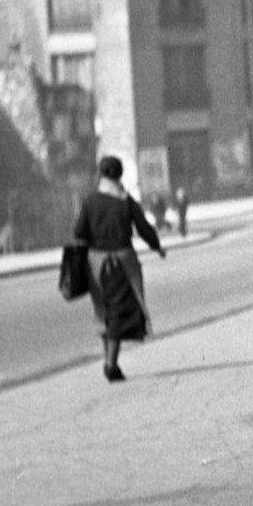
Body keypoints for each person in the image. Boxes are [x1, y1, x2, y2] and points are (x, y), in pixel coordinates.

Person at [72, 155, 165, 382]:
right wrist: (157, 247)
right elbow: (143, 228)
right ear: (119, 175)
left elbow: (78, 232)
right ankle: (111, 365)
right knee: (118, 313)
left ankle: (109, 361)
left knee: (104, 312)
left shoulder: (90, 200)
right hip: (122, 264)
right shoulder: (126, 200)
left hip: (96, 263)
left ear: (101, 175)